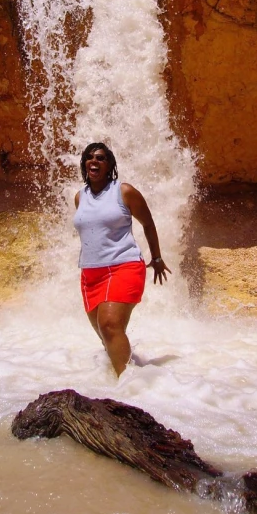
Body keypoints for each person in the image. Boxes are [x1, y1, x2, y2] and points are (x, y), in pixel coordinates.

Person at [73, 142, 171, 377]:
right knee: (107, 335)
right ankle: (126, 376)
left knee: (109, 326)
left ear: (109, 165)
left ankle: (130, 390)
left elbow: (148, 223)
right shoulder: (79, 197)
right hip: (91, 274)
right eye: (89, 157)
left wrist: (156, 257)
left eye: (100, 158)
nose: (93, 161)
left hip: (124, 267)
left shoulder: (124, 191)